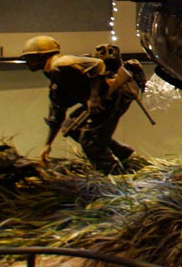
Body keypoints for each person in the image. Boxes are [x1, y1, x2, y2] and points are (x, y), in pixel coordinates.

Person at [21, 36, 136, 172]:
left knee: (90, 142)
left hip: (113, 95)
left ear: (40, 56)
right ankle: (122, 153)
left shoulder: (61, 63)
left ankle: (115, 174)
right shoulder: (55, 78)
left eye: (29, 58)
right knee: (70, 127)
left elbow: (98, 64)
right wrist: (47, 145)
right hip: (102, 101)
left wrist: (94, 97)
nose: (26, 62)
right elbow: (57, 114)